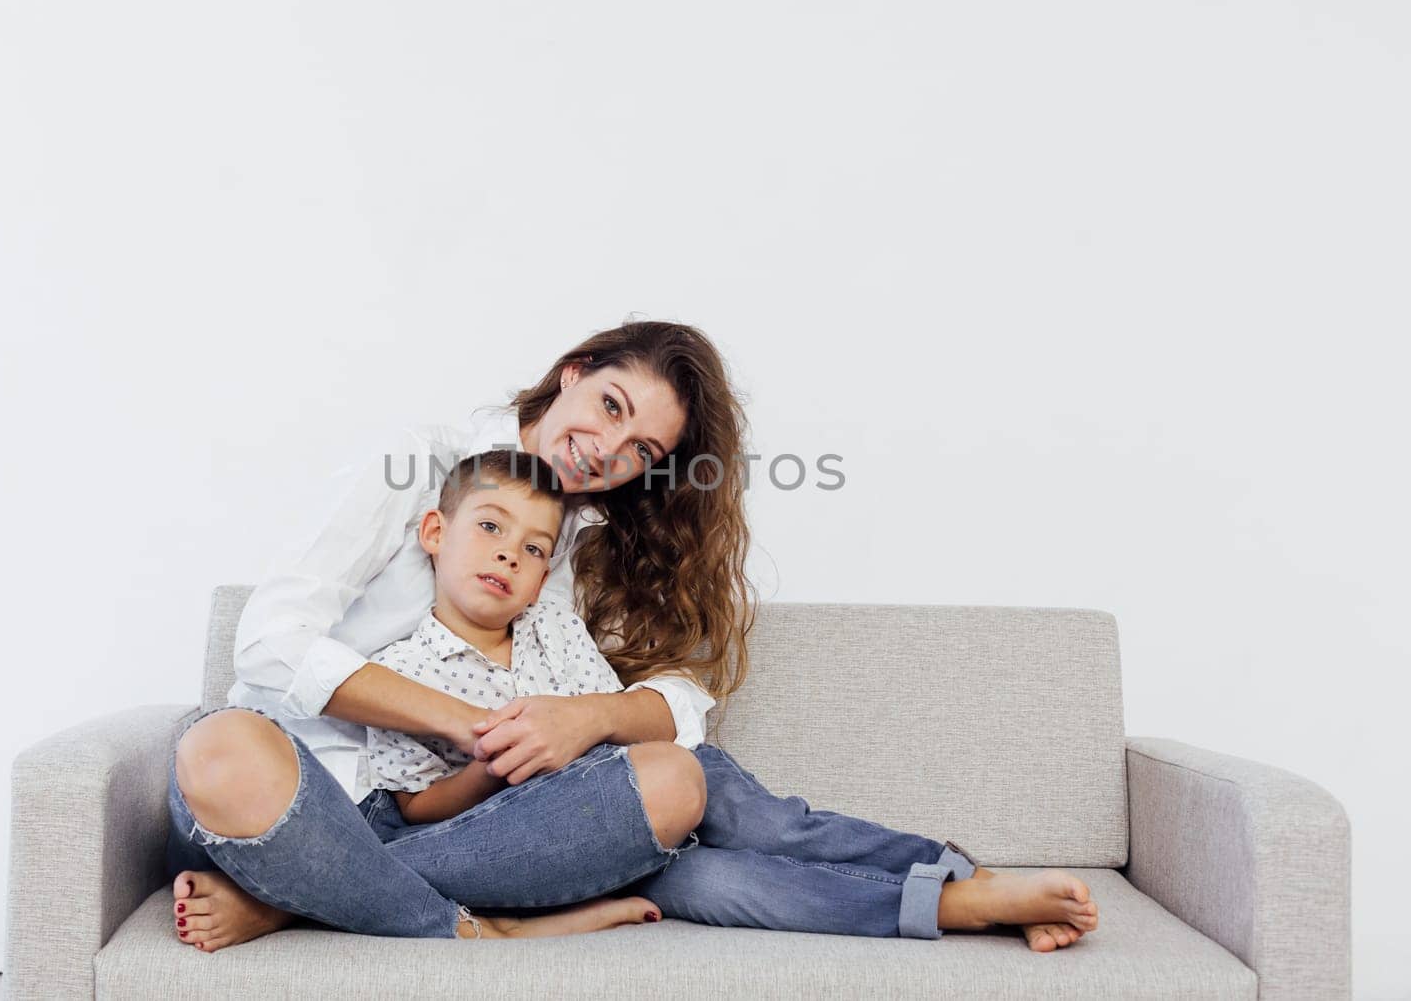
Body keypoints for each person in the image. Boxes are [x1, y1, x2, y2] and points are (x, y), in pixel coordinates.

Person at [361, 449, 1101, 945]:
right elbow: (409, 813)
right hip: (524, 840)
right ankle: (954, 899)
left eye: (531, 548)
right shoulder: (402, 666)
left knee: (746, 855)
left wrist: (584, 730)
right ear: (436, 530)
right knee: (704, 801)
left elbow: (613, 728)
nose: (507, 554)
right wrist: (492, 765)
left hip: (632, 816)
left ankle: (960, 880)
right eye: (490, 527)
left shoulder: (550, 625)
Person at [168, 319, 744, 949]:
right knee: (219, 748)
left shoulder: (592, 547)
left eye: (641, 450)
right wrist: (467, 724)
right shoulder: (421, 466)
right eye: (610, 405)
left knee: (672, 780)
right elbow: (268, 642)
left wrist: (591, 718)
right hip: (293, 792)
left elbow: (681, 702)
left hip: (458, 824)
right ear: (572, 373)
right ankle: (472, 926)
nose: (608, 449)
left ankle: (298, 897)